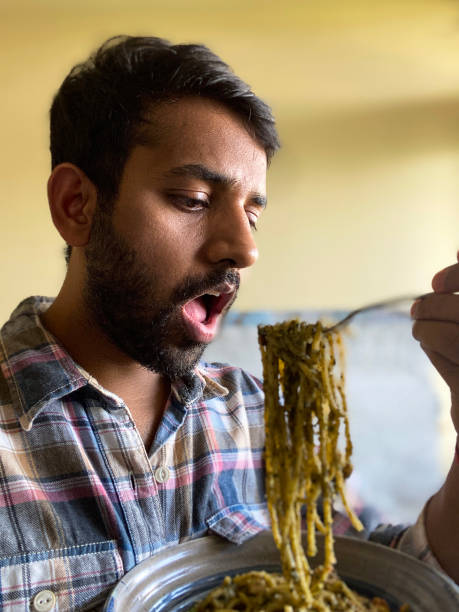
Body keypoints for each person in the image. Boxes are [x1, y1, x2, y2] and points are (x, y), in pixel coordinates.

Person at [0, 34, 457, 610]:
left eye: (252, 214)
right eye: (192, 199)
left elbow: (379, 579)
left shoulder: (265, 416)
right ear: (77, 205)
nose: (244, 249)